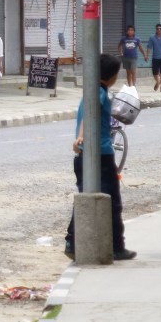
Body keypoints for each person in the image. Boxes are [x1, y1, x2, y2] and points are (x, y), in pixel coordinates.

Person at [64, 54, 136, 262]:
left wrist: (80, 139)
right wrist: (81, 136)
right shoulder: (99, 93)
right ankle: (117, 247)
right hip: (101, 155)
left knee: (86, 198)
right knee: (113, 202)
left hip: (85, 155)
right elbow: (90, 113)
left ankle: (72, 242)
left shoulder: (92, 91)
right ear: (112, 75)